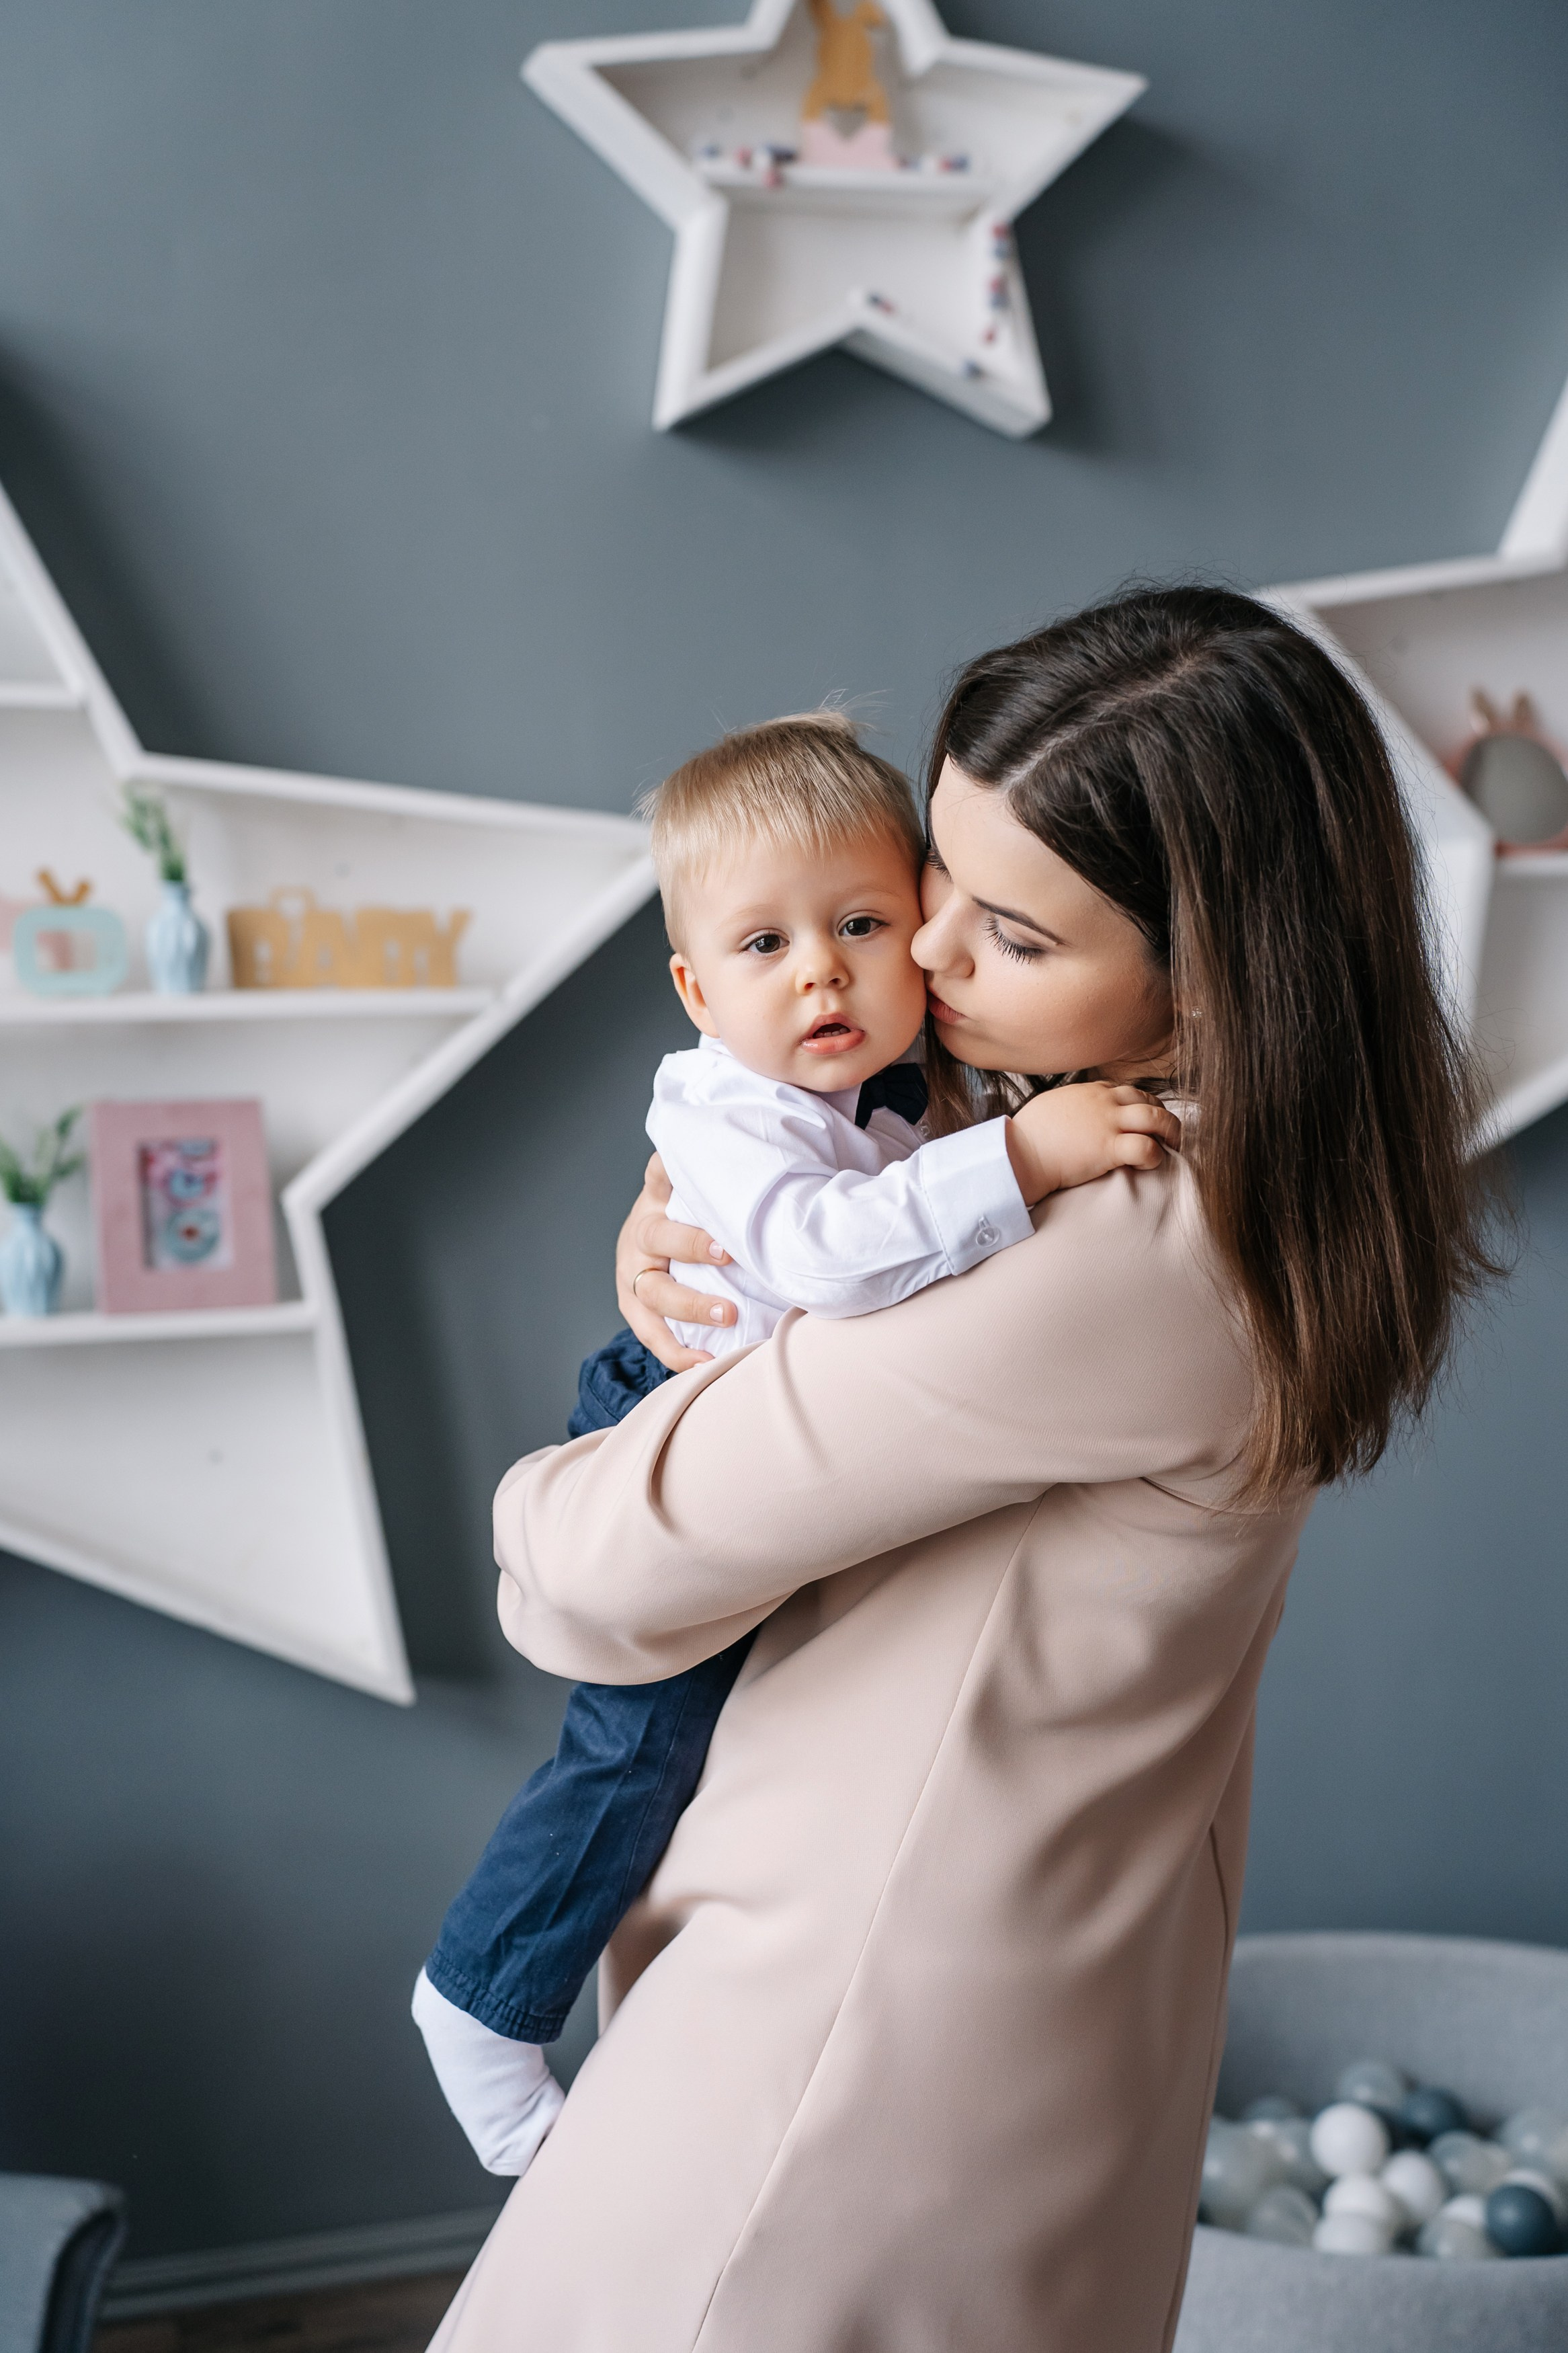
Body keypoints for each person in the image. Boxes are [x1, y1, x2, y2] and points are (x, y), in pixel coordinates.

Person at [427, 588, 1494, 2353]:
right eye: (934, 880)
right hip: (1042, 1993)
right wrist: (723, 1235)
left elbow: (589, 1562)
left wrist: (642, 1398)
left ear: (1209, 961)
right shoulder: (1244, 1162)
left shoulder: (1124, 1241)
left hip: (852, 2041)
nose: (909, 961)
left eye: (1000, 929)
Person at [412, 711, 1175, 2176]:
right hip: (660, 1399)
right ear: (697, 989)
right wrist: (1028, 1155)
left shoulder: (908, 1086)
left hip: (776, 1429)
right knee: (636, 1747)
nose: (823, 967)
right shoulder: (722, 1103)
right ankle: (483, 1994)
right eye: (763, 947)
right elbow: (830, 1258)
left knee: (716, 1761)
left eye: (863, 921)